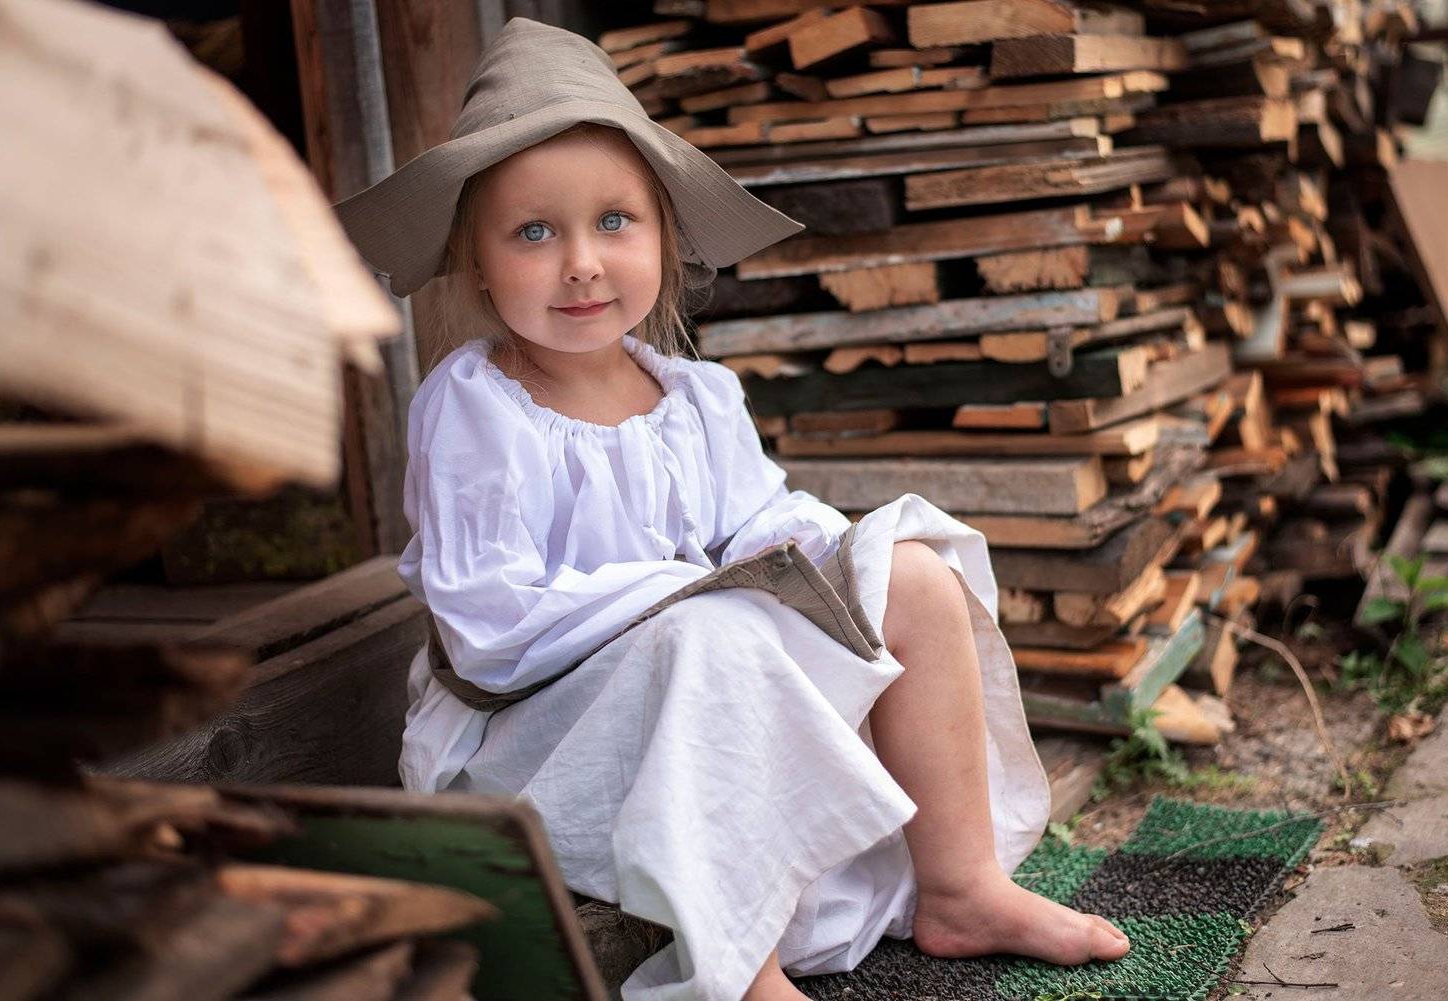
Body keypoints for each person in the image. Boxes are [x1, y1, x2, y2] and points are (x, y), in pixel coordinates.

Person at [334, 17, 1130, 1001]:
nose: (581, 261)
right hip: (539, 735)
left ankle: (962, 884)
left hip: (701, 677)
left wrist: (842, 563)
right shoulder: (476, 408)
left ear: (665, 234)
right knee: (713, 635)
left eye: (614, 221)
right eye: (534, 231)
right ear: (477, 258)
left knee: (912, 574)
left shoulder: (695, 397)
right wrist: (682, 596)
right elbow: (488, 625)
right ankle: (745, 969)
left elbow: (762, 522)